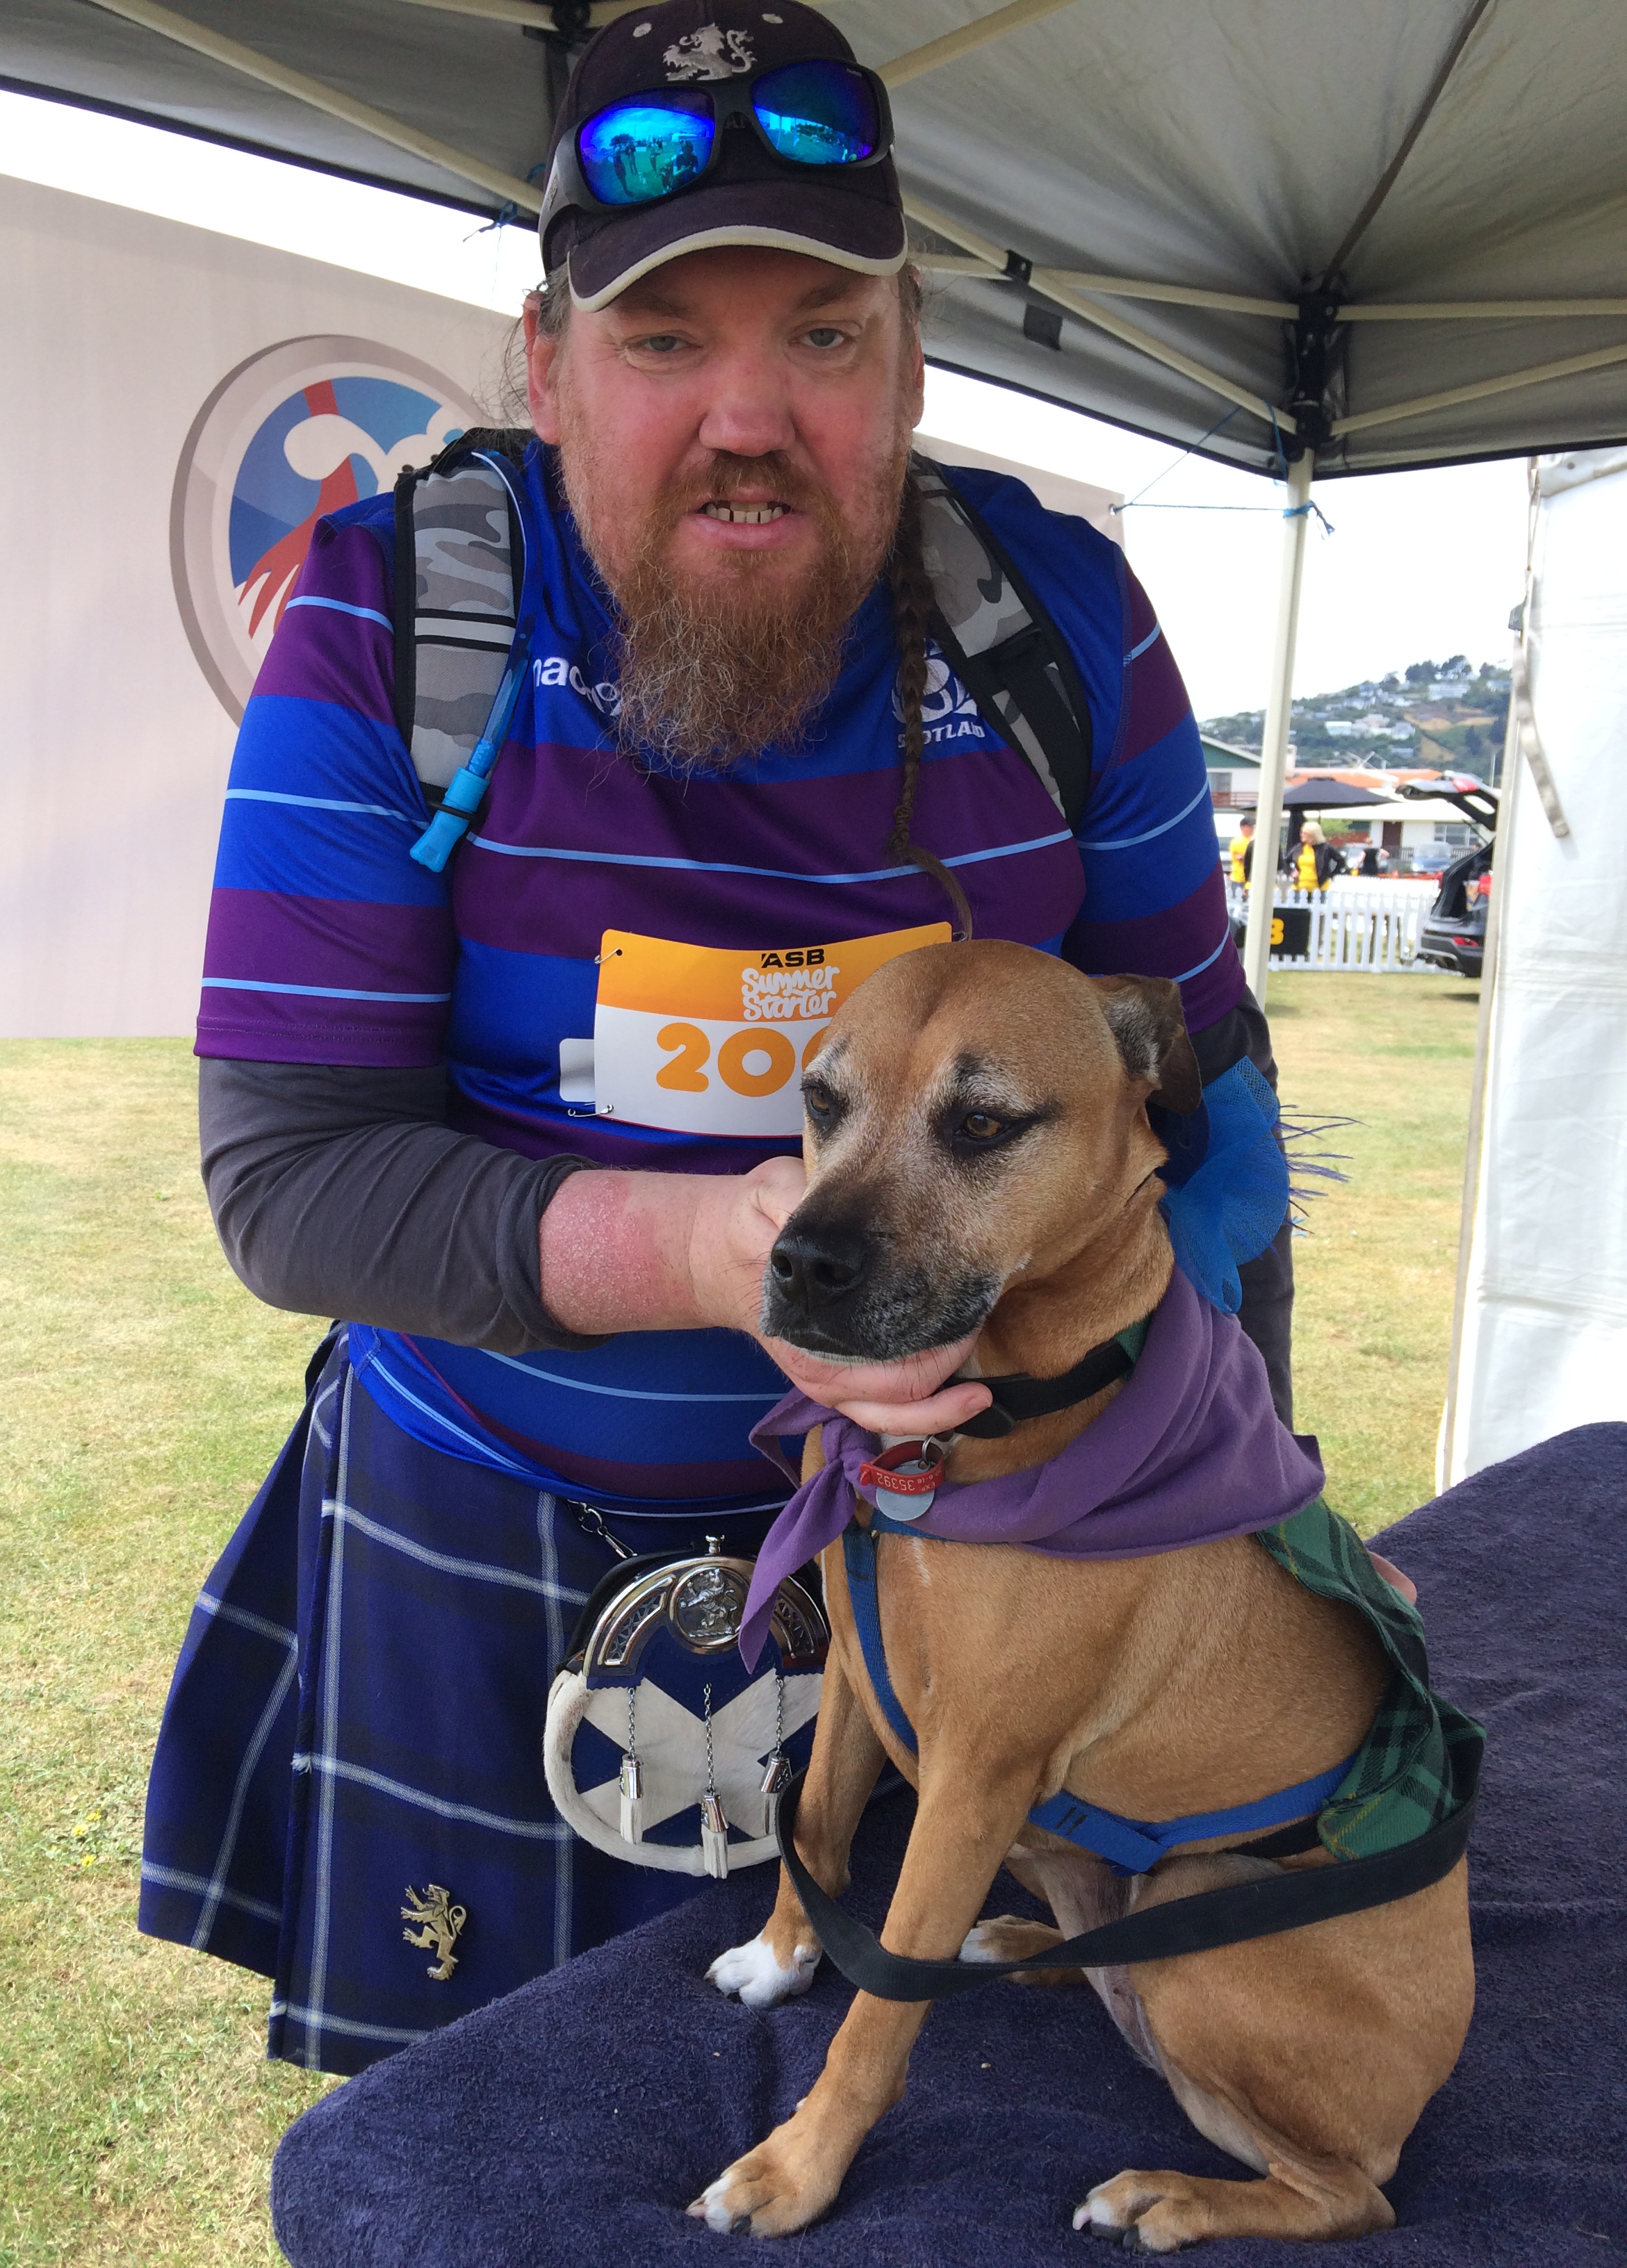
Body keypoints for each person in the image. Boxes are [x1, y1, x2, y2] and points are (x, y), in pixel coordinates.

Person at [138, 0, 1296, 2076]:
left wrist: (1241, 1502)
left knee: (940, 2142)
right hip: (480, 1536)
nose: (748, 416)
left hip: (987, 1555)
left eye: (823, 336)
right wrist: (710, 1251)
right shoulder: (393, 622)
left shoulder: (1062, 631)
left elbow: (1205, 1117)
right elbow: (290, 1181)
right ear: (547, 364)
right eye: (665, 338)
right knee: (483, 2150)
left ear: (910, 358)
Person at [1229, 814, 1254, 887]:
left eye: (1252, 826)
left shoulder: (1251, 841)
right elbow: (1247, 857)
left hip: (1249, 878)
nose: (1252, 828)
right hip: (1239, 879)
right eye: (1249, 826)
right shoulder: (1238, 842)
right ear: (1242, 827)